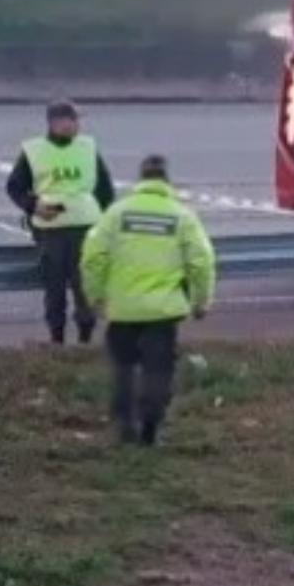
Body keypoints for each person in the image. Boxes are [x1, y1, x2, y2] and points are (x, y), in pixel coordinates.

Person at [80, 155, 217, 447]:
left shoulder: (117, 214)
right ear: (167, 181)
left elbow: (93, 257)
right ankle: (151, 427)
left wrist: (96, 296)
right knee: (158, 370)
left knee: (124, 367)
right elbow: (201, 261)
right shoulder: (181, 216)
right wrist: (201, 301)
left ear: (140, 180)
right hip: (162, 311)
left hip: (122, 309)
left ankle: (124, 425)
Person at [6, 102, 115, 345]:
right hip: (50, 230)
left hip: (86, 228)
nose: (77, 125)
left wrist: (105, 223)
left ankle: (85, 339)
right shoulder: (33, 150)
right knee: (54, 289)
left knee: (84, 286)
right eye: (73, 120)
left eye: (77, 120)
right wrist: (33, 205)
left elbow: (105, 189)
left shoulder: (87, 147)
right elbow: (14, 187)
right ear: (56, 123)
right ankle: (57, 340)